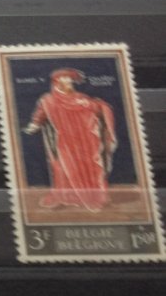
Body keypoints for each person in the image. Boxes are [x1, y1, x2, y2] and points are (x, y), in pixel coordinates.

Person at [23, 67, 117, 211]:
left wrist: (100, 105)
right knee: (65, 169)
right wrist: (33, 125)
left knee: (91, 168)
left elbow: (98, 109)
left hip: (87, 140)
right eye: (65, 78)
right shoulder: (48, 100)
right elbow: (39, 116)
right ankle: (68, 198)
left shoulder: (82, 98)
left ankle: (93, 197)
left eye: (70, 78)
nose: (69, 81)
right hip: (65, 141)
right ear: (56, 81)